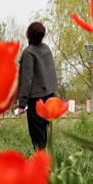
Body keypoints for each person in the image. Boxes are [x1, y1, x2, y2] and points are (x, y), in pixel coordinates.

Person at [16, 22, 58, 150]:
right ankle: (47, 160)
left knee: (37, 134)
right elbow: (51, 71)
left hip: (35, 98)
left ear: (28, 35)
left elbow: (26, 79)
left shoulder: (28, 52)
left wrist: (22, 103)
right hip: (50, 94)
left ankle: (41, 162)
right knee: (45, 129)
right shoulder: (46, 48)